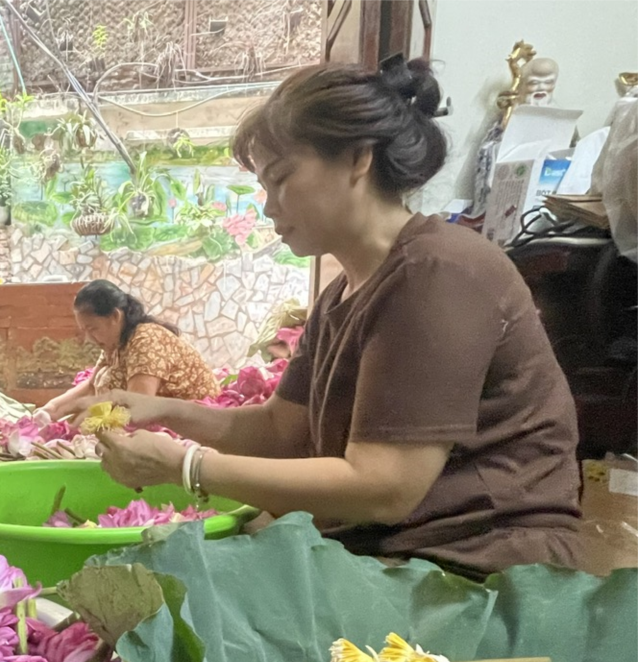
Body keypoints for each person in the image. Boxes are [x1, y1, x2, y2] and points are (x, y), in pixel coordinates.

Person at [80, 59, 585, 578]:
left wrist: (183, 466)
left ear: (357, 158)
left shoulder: (438, 273)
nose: (269, 205)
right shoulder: (344, 292)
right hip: (391, 549)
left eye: (280, 178)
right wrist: (163, 411)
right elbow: (281, 430)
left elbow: (386, 488)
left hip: (478, 568)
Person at [40, 280, 219, 421]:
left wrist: (87, 416)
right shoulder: (116, 343)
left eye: (93, 329)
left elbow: (138, 406)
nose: (89, 339)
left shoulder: (146, 339)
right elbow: (90, 386)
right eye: (85, 331)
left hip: (192, 427)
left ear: (115, 316)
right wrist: (52, 409)